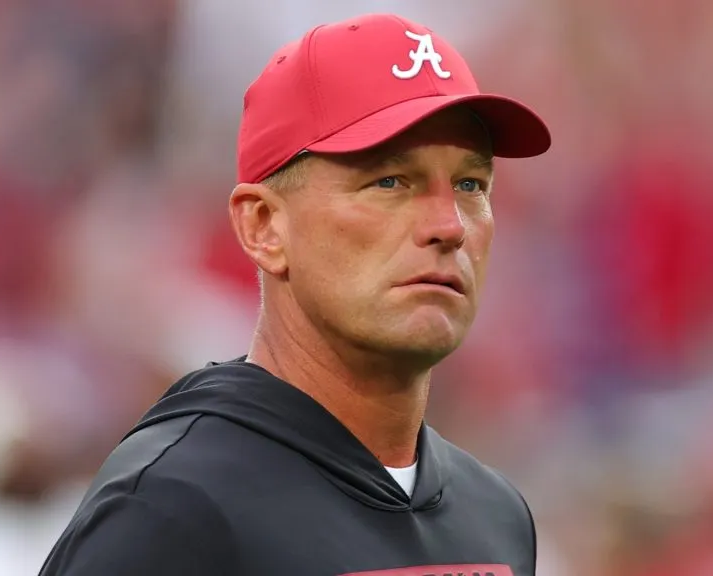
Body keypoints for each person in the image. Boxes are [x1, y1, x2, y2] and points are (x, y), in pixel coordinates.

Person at [39, 12, 551, 576]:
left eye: (470, 185)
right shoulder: (171, 513)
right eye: (389, 181)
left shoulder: (495, 518)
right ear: (263, 227)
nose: (449, 225)